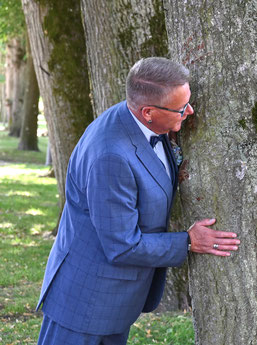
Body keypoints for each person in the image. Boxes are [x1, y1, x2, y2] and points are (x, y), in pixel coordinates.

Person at [36, 57, 241, 345]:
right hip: (85, 304)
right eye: (182, 108)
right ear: (148, 112)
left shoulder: (138, 123)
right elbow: (122, 245)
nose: (190, 112)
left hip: (114, 303)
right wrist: (189, 242)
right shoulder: (110, 156)